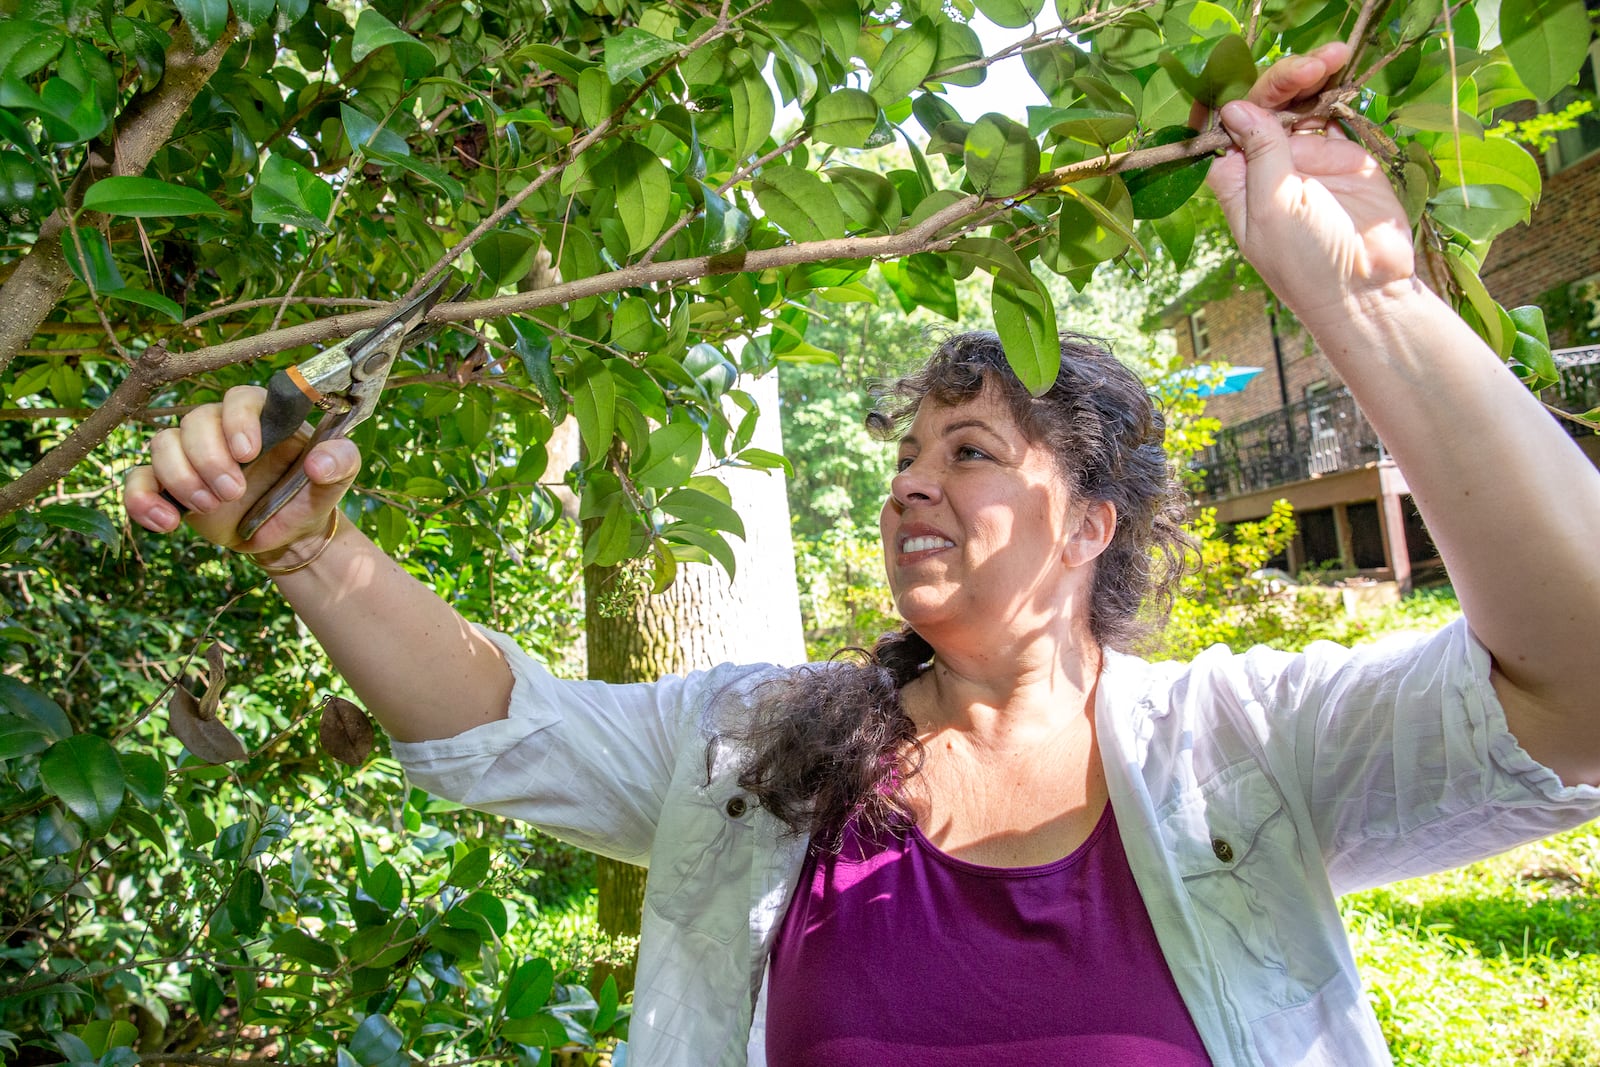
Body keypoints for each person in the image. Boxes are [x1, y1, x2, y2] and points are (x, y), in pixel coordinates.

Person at [125, 43, 1600, 1066]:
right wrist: (311, 549)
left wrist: (1371, 297)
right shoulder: (757, 754)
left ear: (1093, 527)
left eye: (970, 455)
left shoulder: (1247, 752)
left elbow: (1581, 682)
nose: (912, 491)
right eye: (905, 461)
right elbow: (500, 725)